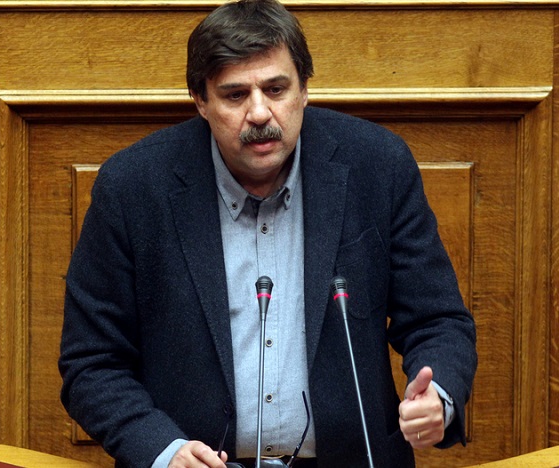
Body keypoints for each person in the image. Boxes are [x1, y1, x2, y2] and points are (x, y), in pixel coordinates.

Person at [58, 0, 477, 467]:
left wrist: (437, 396)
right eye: (235, 95)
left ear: (304, 89)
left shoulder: (377, 167)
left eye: (276, 89)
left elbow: (437, 320)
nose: (260, 113)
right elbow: (91, 363)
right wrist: (164, 450)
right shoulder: (133, 188)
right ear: (200, 100)